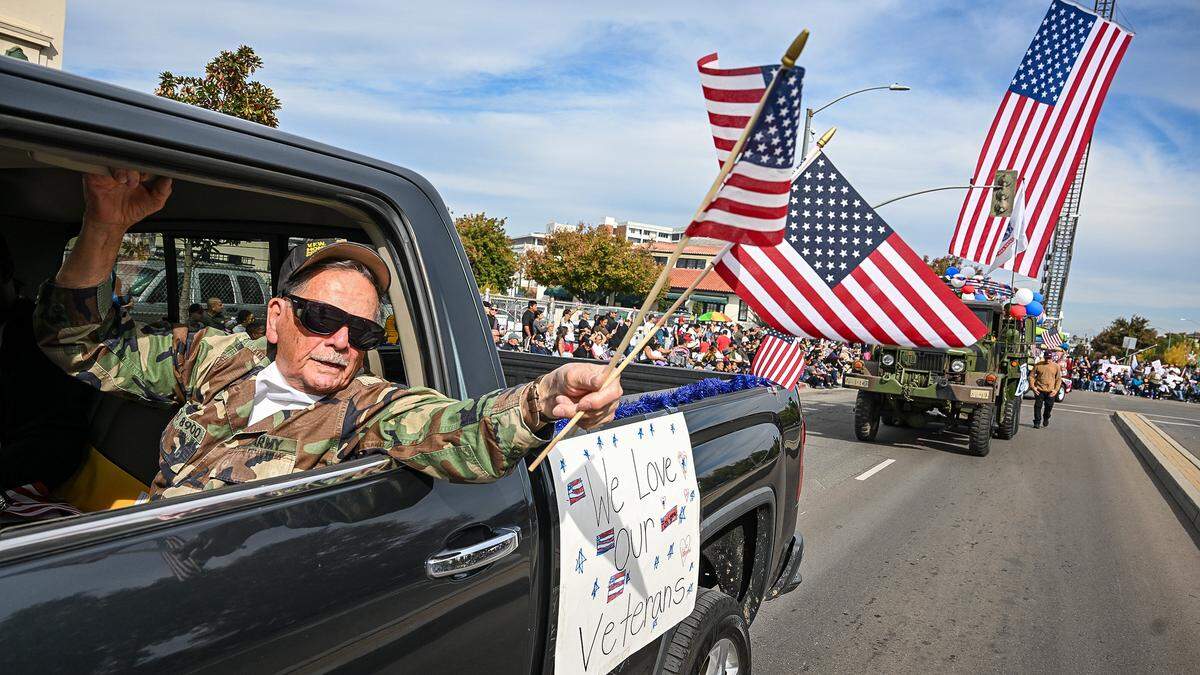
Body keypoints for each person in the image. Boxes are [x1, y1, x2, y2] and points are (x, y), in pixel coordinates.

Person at [33, 169, 621, 500]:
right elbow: (78, 346)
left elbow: (466, 430)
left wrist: (546, 398)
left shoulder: (363, 408)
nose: (341, 340)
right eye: (320, 318)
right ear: (276, 318)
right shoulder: (216, 358)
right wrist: (103, 226)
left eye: (363, 330)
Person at [1029, 350, 1063, 429]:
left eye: (1050, 358)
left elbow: (1058, 379)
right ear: (1044, 357)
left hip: (1050, 391)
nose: (1048, 359)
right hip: (1039, 390)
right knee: (1038, 406)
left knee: (1049, 406)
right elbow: (1031, 376)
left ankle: (1046, 417)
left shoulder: (1056, 366)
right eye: (1047, 358)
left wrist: (1055, 390)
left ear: (1052, 358)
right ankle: (1037, 422)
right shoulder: (1038, 365)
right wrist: (1033, 387)